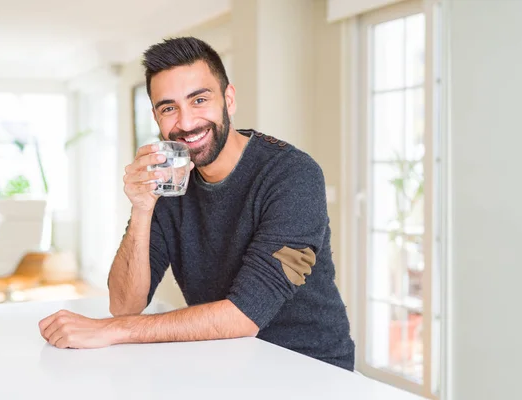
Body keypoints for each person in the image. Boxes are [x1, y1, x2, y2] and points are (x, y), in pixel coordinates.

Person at [39, 36, 355, 371]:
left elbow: (243, 316)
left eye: (199, 100)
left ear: (228, 99)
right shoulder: (170, 179)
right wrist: (142, 209)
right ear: (156, 116)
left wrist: (111, 330)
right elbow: (124, 305)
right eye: (169, 108)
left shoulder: (292, 176)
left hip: (311, 369)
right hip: (223, 361)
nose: (186, 123)